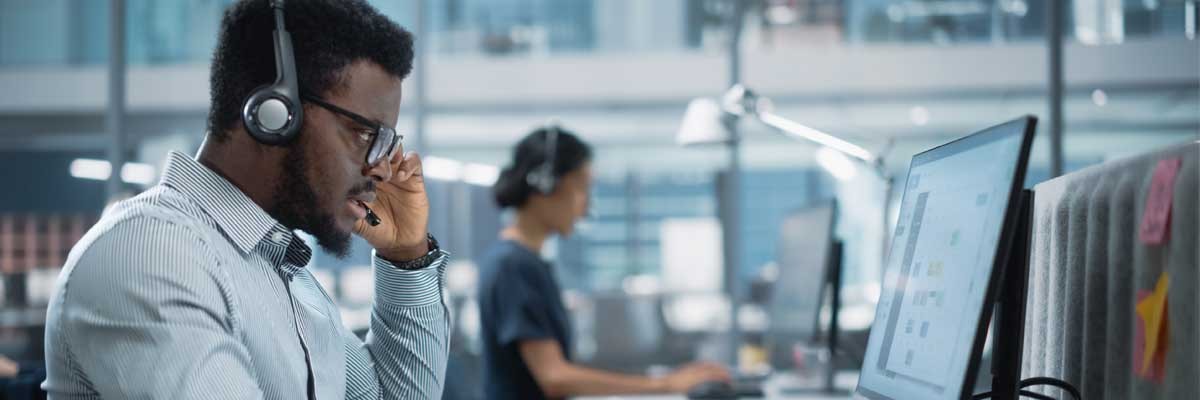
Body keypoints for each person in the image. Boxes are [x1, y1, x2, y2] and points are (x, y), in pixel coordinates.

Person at [42, 1, 449, 398]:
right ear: (274, 111)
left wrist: (406, 257)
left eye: (387, 144)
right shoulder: (152, 252)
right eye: (365, 135)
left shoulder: (289, 279)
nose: (382, 168)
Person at [477, 126, 731, 400]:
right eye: (581, 188)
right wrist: (667, 384)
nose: (585, 207)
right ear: (546, 185)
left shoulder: (527, 262)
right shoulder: (513, 266)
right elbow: (555, 377)